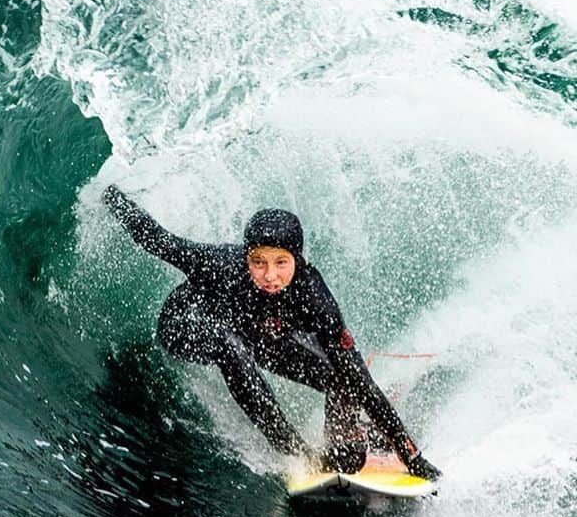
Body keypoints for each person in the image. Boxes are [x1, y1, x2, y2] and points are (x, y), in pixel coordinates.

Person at [101, 184, 441, 479]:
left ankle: (348, 440)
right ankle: (295, 450)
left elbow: (358, 377)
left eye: (281, 263)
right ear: (247, 257)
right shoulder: (221, 264)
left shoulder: (315, 299)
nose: (269, 275)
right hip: (186, 326)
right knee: (228, 344)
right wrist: (111, 196)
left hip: (258, 335)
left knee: (343, 377)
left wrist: (412, 456)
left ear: (298, 260)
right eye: (258, 262)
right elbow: (159, 241)